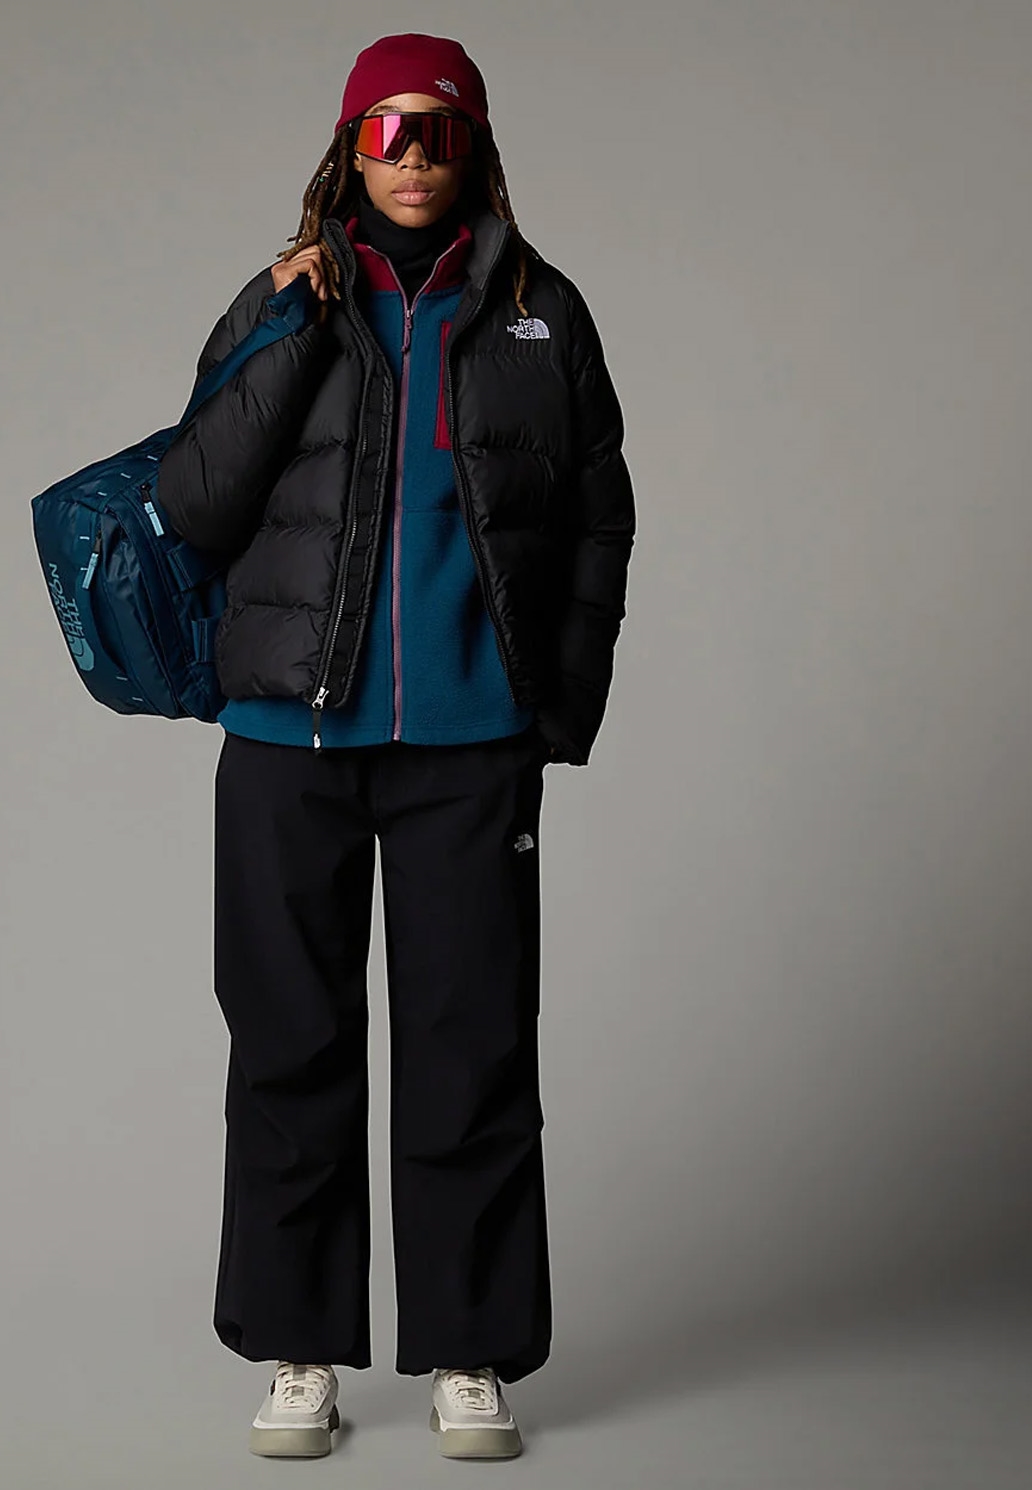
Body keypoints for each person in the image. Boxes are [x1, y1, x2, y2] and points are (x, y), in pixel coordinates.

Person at [158, 31, 636, 1460]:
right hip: (286, 736)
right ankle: (298, 1348)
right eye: (386, 130)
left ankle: (469, 1353)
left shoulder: (543, 312)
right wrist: (286, 329)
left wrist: (558, 706)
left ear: (476, 148)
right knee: (287, 1044)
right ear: (347, 149)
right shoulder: (279, 298)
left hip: (471, 743)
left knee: (471, 1045)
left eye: (440, 130)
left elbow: (599, 518)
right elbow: (196, 500)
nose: (413, 156)